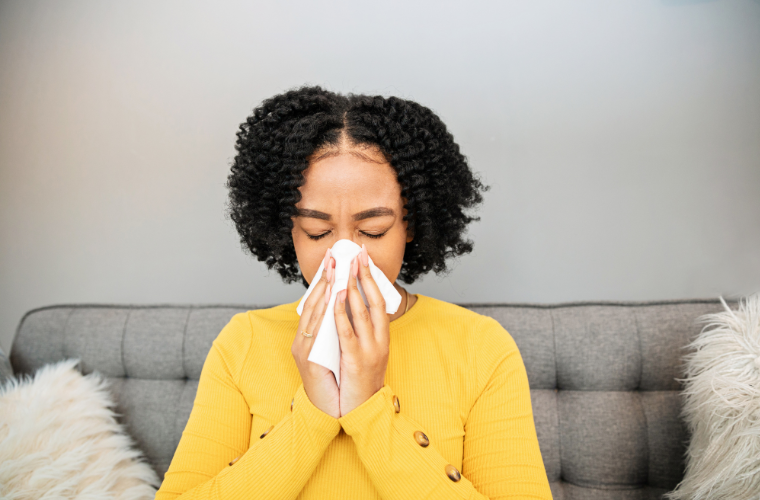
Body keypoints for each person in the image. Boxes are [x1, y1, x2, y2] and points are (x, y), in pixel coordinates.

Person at [155, 86, 552, 499]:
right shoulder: (243, 342)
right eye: (317, 231)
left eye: (373, 230)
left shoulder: (482, 348)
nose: (344, 255)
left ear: (410, 226)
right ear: (287, 229)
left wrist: (371, 410)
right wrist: (311, 414)